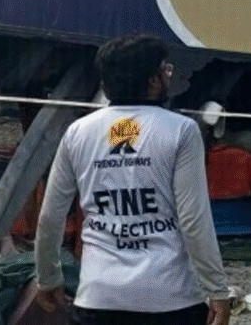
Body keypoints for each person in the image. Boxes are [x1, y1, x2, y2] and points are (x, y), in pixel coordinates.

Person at [34, 34, 233, 325]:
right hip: (170, 301)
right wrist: (217, 288)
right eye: (166, 69)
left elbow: (50, 216)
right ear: (152, 80)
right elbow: (193, 220)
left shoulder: (78, 132)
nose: (169, 74)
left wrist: (48, 276)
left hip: (98, 300)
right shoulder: (181, 131)